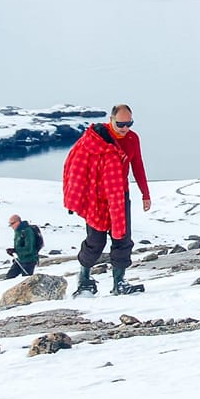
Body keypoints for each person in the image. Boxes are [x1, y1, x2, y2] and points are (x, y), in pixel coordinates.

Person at [62, 104, 152, 296]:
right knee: (95, 240)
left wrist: (145, 193)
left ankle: (119, 282)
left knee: (123, 238)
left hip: (120, 195)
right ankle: (84, 278)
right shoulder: (95, 139)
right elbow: (76, 166)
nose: (125, 128)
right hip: (97, 196)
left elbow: (138, 165)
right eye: (121, 124)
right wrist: (75, 196)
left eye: (129, 123)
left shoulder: (132, 138)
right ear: (111, 120)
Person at [4, 214, 39, 279]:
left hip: (29, 260)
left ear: (18, 222)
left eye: (12, 223)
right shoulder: (18, 231)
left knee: (26, 279)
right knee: (9, 277)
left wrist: (16, 250)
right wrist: (13, 250)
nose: (11, 226)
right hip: (21, 259)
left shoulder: (27, 231)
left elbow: (29, 249)